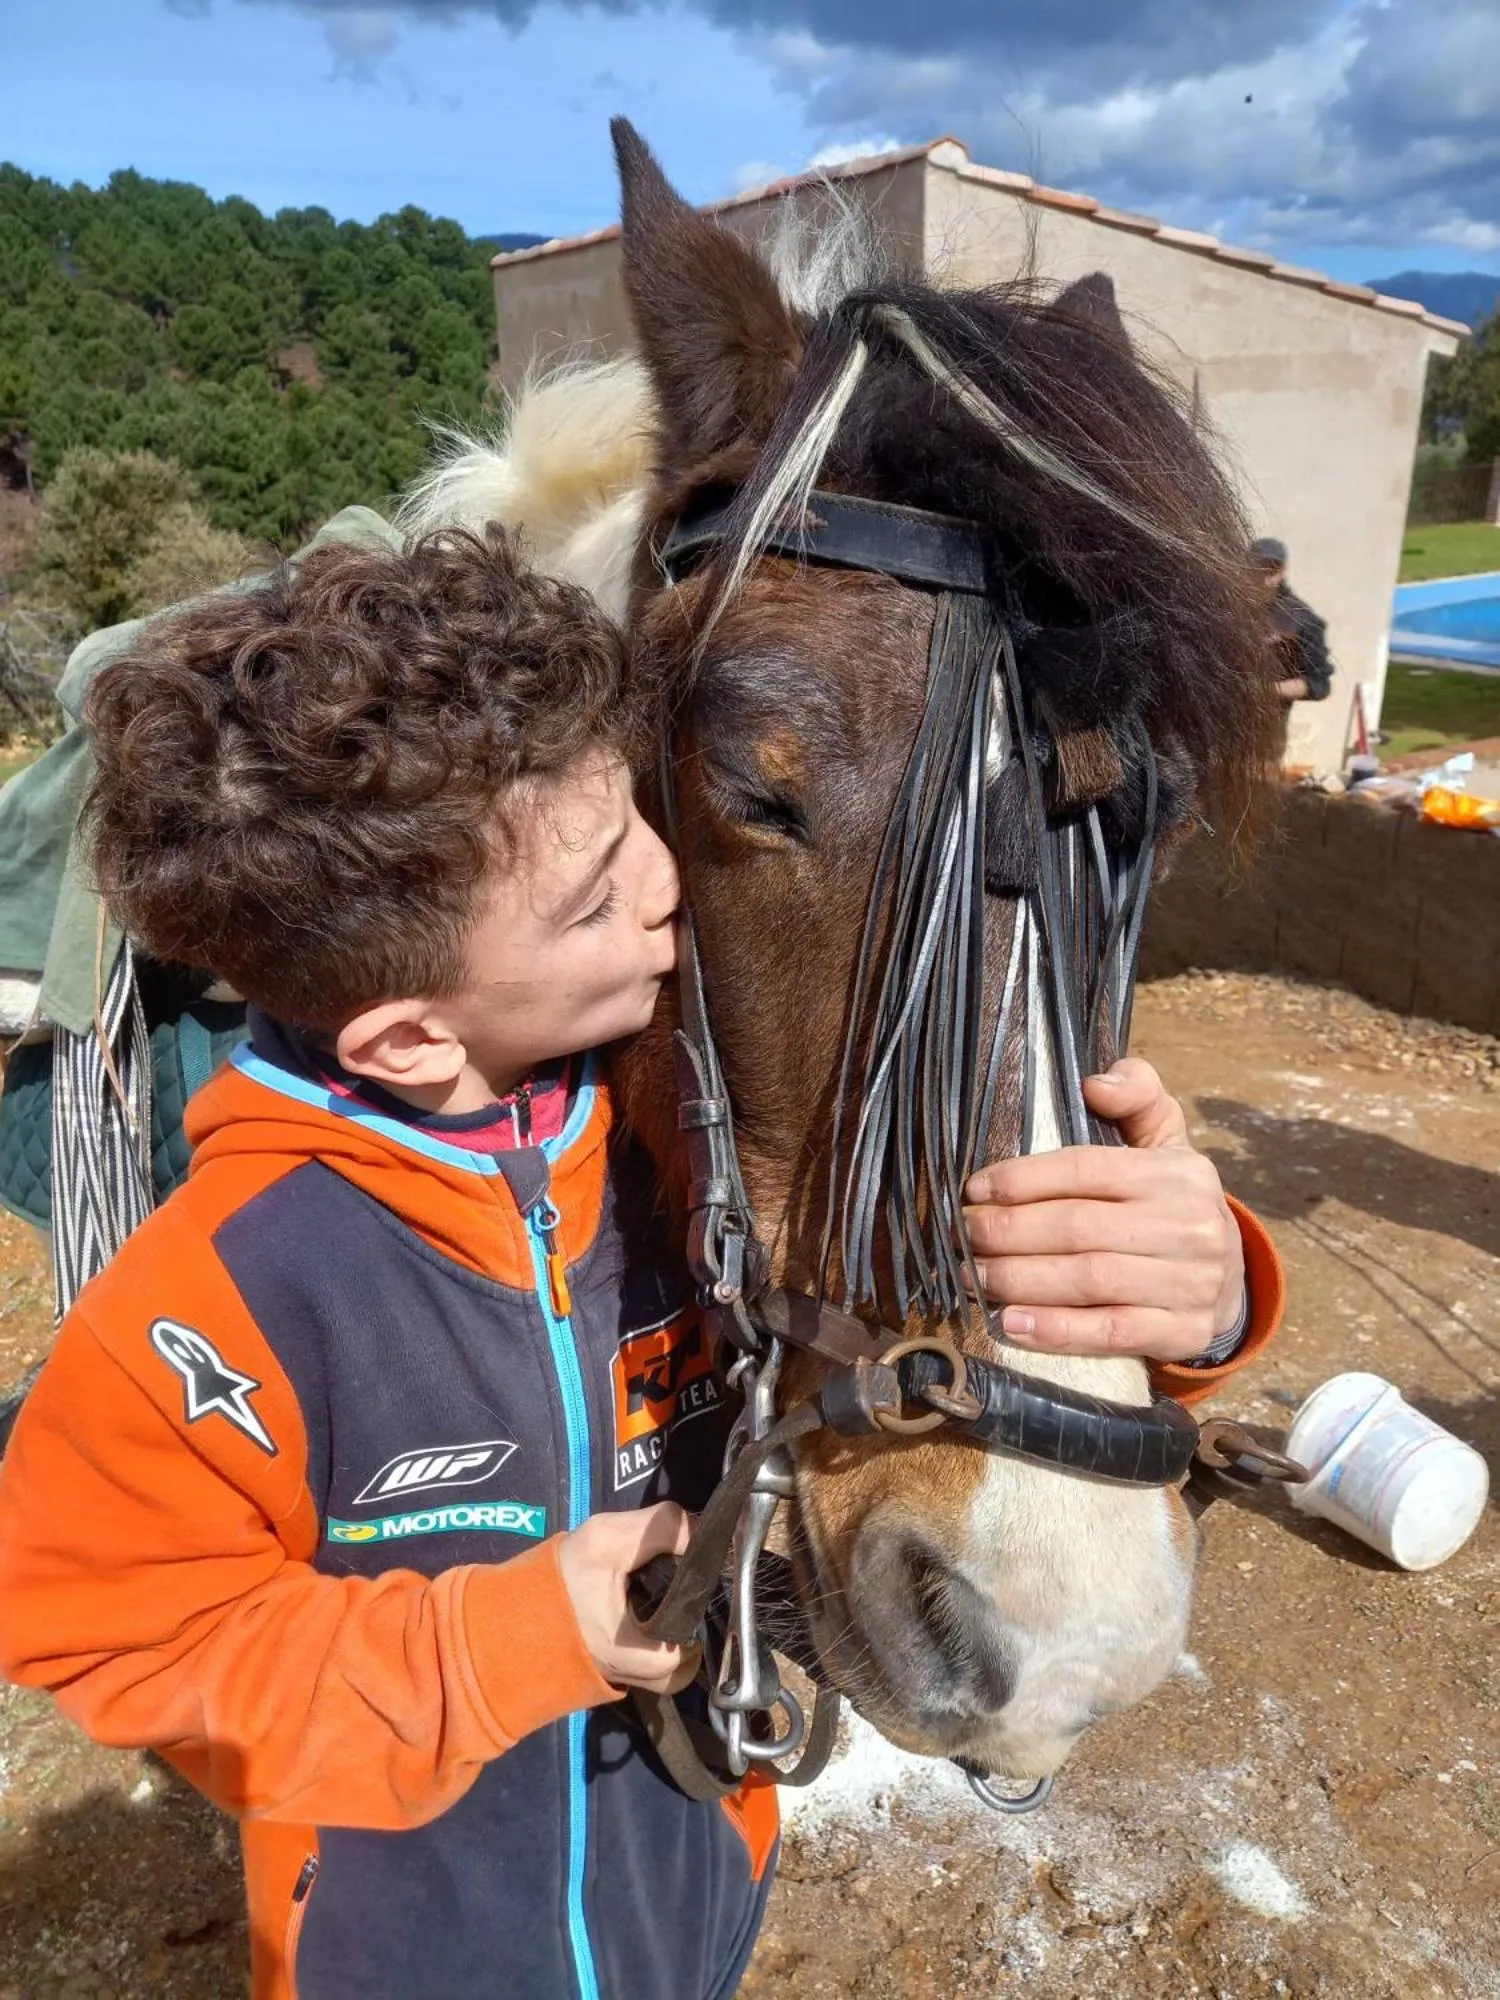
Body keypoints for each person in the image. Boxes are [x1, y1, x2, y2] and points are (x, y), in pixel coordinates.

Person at [0, 524, 1279, 2000]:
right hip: (402, 1948)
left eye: (645, 821)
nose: (674, 883)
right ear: (412, 1036)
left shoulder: (667, 1137)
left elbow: (869, 1300)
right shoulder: (216, 1299)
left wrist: (1183, 1293)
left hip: (692, 1898)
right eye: (599, 892)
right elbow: (102, 1630)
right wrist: (497, 1643)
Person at [1251, 537, 1334, 736]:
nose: (1264, 576)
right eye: (1258, 567)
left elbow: (1319, 684)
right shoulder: (1225, 609)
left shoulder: (1301, 619)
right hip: (1213, 729)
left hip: (1265, 734)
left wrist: (1265, 691)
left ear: (1283, 570)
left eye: (1271, 568)